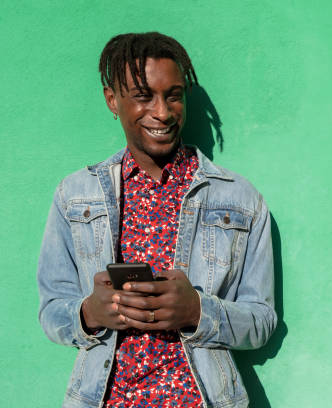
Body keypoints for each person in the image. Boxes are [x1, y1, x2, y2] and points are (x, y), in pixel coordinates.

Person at [37, 32, 276, 408]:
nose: (163, 112)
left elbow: (261, 321)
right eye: (143, 96)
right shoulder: (75, 195)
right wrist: (91, 312)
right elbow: (52, 311)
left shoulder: (240, 198)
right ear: (112, 100)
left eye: (174, 95)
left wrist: (198, 310)